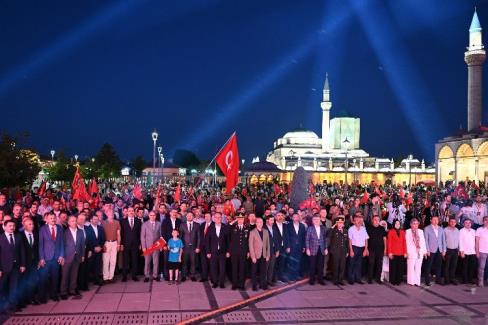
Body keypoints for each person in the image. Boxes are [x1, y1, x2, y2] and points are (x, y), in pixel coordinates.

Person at [38, 212, 64, 303]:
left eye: (54, 218)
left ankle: (54, 295)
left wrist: (61, 255)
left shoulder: (60, 228)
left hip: (56, 258)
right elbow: (40, 245)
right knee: (44, 278)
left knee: (55, 277)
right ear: (47, 219)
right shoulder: (42, 229)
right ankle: (42, 297)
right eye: (51, 218)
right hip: (46, 258)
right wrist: (41, 258)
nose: (53, 219)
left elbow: (62, 243)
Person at [0, 220, 25, 311]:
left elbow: (22, 251)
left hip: (16, 266)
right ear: (4, 227)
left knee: (14, 287)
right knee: (3, 288)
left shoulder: (18, 237)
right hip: (4, 267)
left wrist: (22, 264)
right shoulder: (1, 238)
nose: (12, 227)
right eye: (10, 226)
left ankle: (13, 306)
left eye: (13, 226)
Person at [60, 215, 85, 300]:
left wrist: (82, 255)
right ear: (68, 223)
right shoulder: (65, 232)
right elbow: (61, 245)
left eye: (75, 221)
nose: (74, 222)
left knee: (74, 274)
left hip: (77, 256)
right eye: (72, 221)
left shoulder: (80, 232)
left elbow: (82, 244)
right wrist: (62, 257)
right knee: (65, 275)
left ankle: (72, 290)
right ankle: (63, 292)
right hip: (67, 257)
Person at [205, 212, 230, 288]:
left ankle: (221, 283)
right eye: (216, 217)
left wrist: (228, 251)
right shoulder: (210, 228)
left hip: (223, 252)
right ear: (214, 218)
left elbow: (228, 241)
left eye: (219, 217)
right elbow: (207, 241)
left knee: (222, 268)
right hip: (213, 252)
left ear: (221, 218)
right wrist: (208, 252)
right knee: (213, 268)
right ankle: (215, 282)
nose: (218, 219)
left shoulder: (225, 227)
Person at [20, 217, 39, 306]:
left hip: (34, 261)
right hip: (24, 263)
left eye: (32, 224)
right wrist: (22, 263)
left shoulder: (36, 234)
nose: (32, 226)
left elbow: (38, 248)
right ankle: (24, 299)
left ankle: (32, 298)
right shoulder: (20, 235)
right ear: (24, 226)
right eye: (29, 224)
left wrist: (39, 260)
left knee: (33, 280)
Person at [120, 207, 142, 282]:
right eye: (129, 211)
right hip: (126, 243)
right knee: (125, 260)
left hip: (135, 243)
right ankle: (124, 276)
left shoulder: (138, 221)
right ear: (127, 212)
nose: (131, 212)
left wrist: (140, 243)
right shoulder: (122, 221)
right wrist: (121, 244)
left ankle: (134, 276)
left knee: (134, 260)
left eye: (132, 211)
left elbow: (140, 233)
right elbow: (121, 234)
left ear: (134, 212)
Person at [423, 215, 446, 286]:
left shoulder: (441, 229)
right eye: (434, 220)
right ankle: (427, 280)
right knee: (428, 265)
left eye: (437, 220)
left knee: (439, 266)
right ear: (431, 220)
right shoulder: (427, 228)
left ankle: (438, 279)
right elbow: (425, 240)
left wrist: (444, 250)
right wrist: (427, 250)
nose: (436, 221)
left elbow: (443, 240)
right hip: (431, 250)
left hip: (439, 249)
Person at [248, 217, 270, 291]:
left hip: (263, 255)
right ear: (256, 223)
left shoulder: (266, 231)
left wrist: (267, 255)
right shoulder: (252, 232)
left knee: (263, 271)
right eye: (258, 222)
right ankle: (254, 285)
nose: (260, 223)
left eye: (261, 222)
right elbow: (250, 245)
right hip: (255, 255)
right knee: (254, 271)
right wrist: (253, 256)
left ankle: (262, 284)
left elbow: (268, 245)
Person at [305, 215, 327, 285]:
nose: (316, 221)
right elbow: (307, 239)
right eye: (314, 219)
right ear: (312, 221)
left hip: (321, 249)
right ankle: (312, 280)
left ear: (320, 220)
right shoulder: (310, 228)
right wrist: (307, 249)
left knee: (321, 265)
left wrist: (326, 248)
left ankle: (321, 280)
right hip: (312, 249)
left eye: (318, 219)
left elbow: (325, 239)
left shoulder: (323, 228)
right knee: (312, 265)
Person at [229, 213, 249, 290]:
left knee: (242, 269)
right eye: (239, 218)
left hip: (243, 252)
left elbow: (248, 241)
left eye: (242, 218)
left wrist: (248, 251)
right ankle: (234, 284)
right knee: (234, 268)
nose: (240, 220)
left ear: (244, 219)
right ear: (236, 219)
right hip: (234, 252)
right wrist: (233, 221)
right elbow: (226, 230)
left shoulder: (247, 228)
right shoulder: (232, 227)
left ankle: (241, 285)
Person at [348, 214, 369, 284]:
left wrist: (366, 249)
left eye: (360, 220)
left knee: (359, 264)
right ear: (354, 222)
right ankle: (351, 279)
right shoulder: (351, 229)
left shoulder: (363, 228)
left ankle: (358, 279)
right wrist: (351, 250)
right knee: (352, 264)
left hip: (361, 248)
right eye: (357, 220)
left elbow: (366, 239)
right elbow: (350, 240)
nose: (359, 222)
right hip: (354, 247)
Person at [141, 211, 161, 282]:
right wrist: (143, 247)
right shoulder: (145, 224)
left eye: (154, 215)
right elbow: (142, 237)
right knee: (147, 262)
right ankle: (147, 276)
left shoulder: (159, 224)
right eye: (151, 215)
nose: (152, 216)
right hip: (147, 246)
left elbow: (160, 236)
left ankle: (155, 276)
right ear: (149, 216)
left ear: (155, 216)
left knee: (156, 262)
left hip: (156, 245)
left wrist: (160, 246)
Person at [179, 212, 200, 282]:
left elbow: (199, 237)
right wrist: (180, 247)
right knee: (184, 262)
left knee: (193, 262)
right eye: (188, 216)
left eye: (191, 216)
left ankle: (192, 275)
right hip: (185, 247)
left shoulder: (197, 225)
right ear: (186, 217)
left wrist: (198, 247)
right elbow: (180, 237)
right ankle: (184, 276)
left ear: (193, 217)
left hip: (194, 247)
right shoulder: (182, 225)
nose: (189, 217)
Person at [161, 209, 181, 281]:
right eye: (173, 212)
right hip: (167, 244)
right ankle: (167, 275)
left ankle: (175, 276)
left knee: (175, 260)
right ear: (170, 213)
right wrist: (164, 245)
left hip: (176, 244)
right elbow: (163, 234)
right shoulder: (165, 221)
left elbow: (180, 233)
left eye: (176, 212)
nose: (174, 213)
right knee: (167, 260)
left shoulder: (179, 221)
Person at [405, 218, 427, 286]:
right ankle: (411, 281)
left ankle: (417, 281)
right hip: (411, 252)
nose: (415, 225)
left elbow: (423, 242)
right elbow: (406, 243)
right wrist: (407, 252)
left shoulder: (421, 231)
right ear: (411, 224)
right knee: (411, 267)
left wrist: (424, 251)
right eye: (414, 224)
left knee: (418, 267)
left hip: (419, 252)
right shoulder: (407, 231)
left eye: (417, 224)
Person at [85, 214, 105, 286]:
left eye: (97, 219)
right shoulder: (86, 229)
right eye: (94, 219)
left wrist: (100, 247)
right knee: (89, 265)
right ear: (91, 220)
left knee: (97, 265)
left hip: (99, 250)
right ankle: (86, 281)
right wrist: (93, 248)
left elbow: (103, 239)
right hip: (91, 250)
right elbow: (87, 240)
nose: (96, 221)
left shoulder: (100, 228)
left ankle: (96, 280)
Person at [366, 215, 386, 284]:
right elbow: (366, 239)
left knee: (379, 264)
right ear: (372, 220)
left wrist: (385, 249)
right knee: (371, 263)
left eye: (378, 220)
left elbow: (384, 239)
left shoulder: (382, 229)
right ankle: (370, 279)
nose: (376, 221)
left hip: (380, 249)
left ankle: (378, 279)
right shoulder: (369, 228)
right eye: (375, 220)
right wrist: (366, 249)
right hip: (371, 249)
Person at [102, 210, 120, 283]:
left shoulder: (117, 222)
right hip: (106, 243)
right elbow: (101, 235)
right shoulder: (103, 223)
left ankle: (111, 277)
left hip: (114, 242)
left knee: (113, 260)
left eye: (112, 213)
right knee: (106, 261)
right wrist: (103, 244)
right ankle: (105, 277)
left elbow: (118, 234)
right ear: (106, 214)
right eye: (110, 213)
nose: (111, 214)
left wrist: (118, 244)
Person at [286, 213, 306, 282]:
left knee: (298, 261)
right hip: (291, 246)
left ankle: (296, 275)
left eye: (297, 217)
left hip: (300, 247)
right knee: (291, 261)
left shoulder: (302, 226)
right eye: (294, 217)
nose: (295, 218)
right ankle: (291, 276)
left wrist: (304, 246)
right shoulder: (288, 226)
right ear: (292, 218)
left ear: (299, 218)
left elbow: (304, 237)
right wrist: (288, 246)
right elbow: (287, 236)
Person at [329, 216, 348, 285]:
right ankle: (335, 280)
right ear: (336, 224)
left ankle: (341, 279)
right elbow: (328, 234)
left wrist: (347, 251)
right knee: (335, 266)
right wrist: (333, 226)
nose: (340, 224)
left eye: (341, 223)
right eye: (338, 223)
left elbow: (347, 242)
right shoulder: (333, 231)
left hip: (343, 251)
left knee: (342, 266)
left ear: (343, 224)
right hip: (335, 251)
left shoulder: (345, 231)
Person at [387, 219, 406, 285]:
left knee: (400, 267)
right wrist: (389, 252)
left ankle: (398, 280)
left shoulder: (403, 232)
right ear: (393, 224)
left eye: (398, 224)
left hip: (401, 252)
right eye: (396, 224)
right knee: (393, 267)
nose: (397, 225)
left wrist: (405, 252)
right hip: (393, 252)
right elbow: (389, 243)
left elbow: (404, 243)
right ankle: (393, 280)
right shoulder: (391, 231)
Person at [459, 218, 477, 285]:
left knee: (471, 267)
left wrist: (476, 251)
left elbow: (475, 241)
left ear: (471, 224)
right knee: (464, 267)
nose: (468, 224)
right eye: (466, 223)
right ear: (463, 224)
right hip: (465, 252)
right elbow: (460, 241)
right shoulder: (461, 231)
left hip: (472, 252)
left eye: (469, 223)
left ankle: (470, 279)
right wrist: (461, 251)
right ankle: (464, 280)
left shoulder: (474, 231)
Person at [273, 212, 289, 283]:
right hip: (275, 248)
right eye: (278, 215)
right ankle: (273, 278)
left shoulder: (285, 226)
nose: (280, 217)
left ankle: (280, 277)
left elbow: (287, 236)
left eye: (282, 215)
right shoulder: (272, 226)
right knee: (274, 263)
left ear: (284, 217)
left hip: (284, 247)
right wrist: (276, 249)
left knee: (282, 263)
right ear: (275, 217)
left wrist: (288, 246)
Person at [444, 216, 460, 285]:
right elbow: (443, 241)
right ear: (449, 222)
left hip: (455, 250)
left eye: (454, 222)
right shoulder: (445, 230)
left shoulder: (457, 230)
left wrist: (459, 250)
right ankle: (446, 280)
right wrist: (444, 250)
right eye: (451, 222)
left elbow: (459, 241)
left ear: (456, 223)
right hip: (448, 250)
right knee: (447, 266)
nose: (453, 223)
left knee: (454, 266)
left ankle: (452, 279)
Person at [265, 215, 279, 287]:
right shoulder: (264, 228)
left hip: (273, 250)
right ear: (267, 220)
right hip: (267, 251)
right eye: (271, 220)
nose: (272, 221)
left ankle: (269, 281)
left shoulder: (274, 228)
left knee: (271, 266)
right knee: (265, 267)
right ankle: (264, 282)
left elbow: (276, 240)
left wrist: (277, 250)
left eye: (273, 220)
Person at [198, 213, 212, 282]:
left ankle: (212, 277)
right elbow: (200, 236)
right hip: (203, 247)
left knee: (211, 263)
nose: (206, 218)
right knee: (203, 262)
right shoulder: (202, 225)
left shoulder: (214, 225)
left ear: (211, 217)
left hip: (211, 247)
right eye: (205, 216)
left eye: (208, 216)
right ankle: (204, 277)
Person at [475, 216, 488, 287]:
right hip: (482, 251)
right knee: (481, 267)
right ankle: (480, 281)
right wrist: (477, 252)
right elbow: (476, 242)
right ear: (483, 221)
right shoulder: (479, 229)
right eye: (485, 220)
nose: (487, 221)